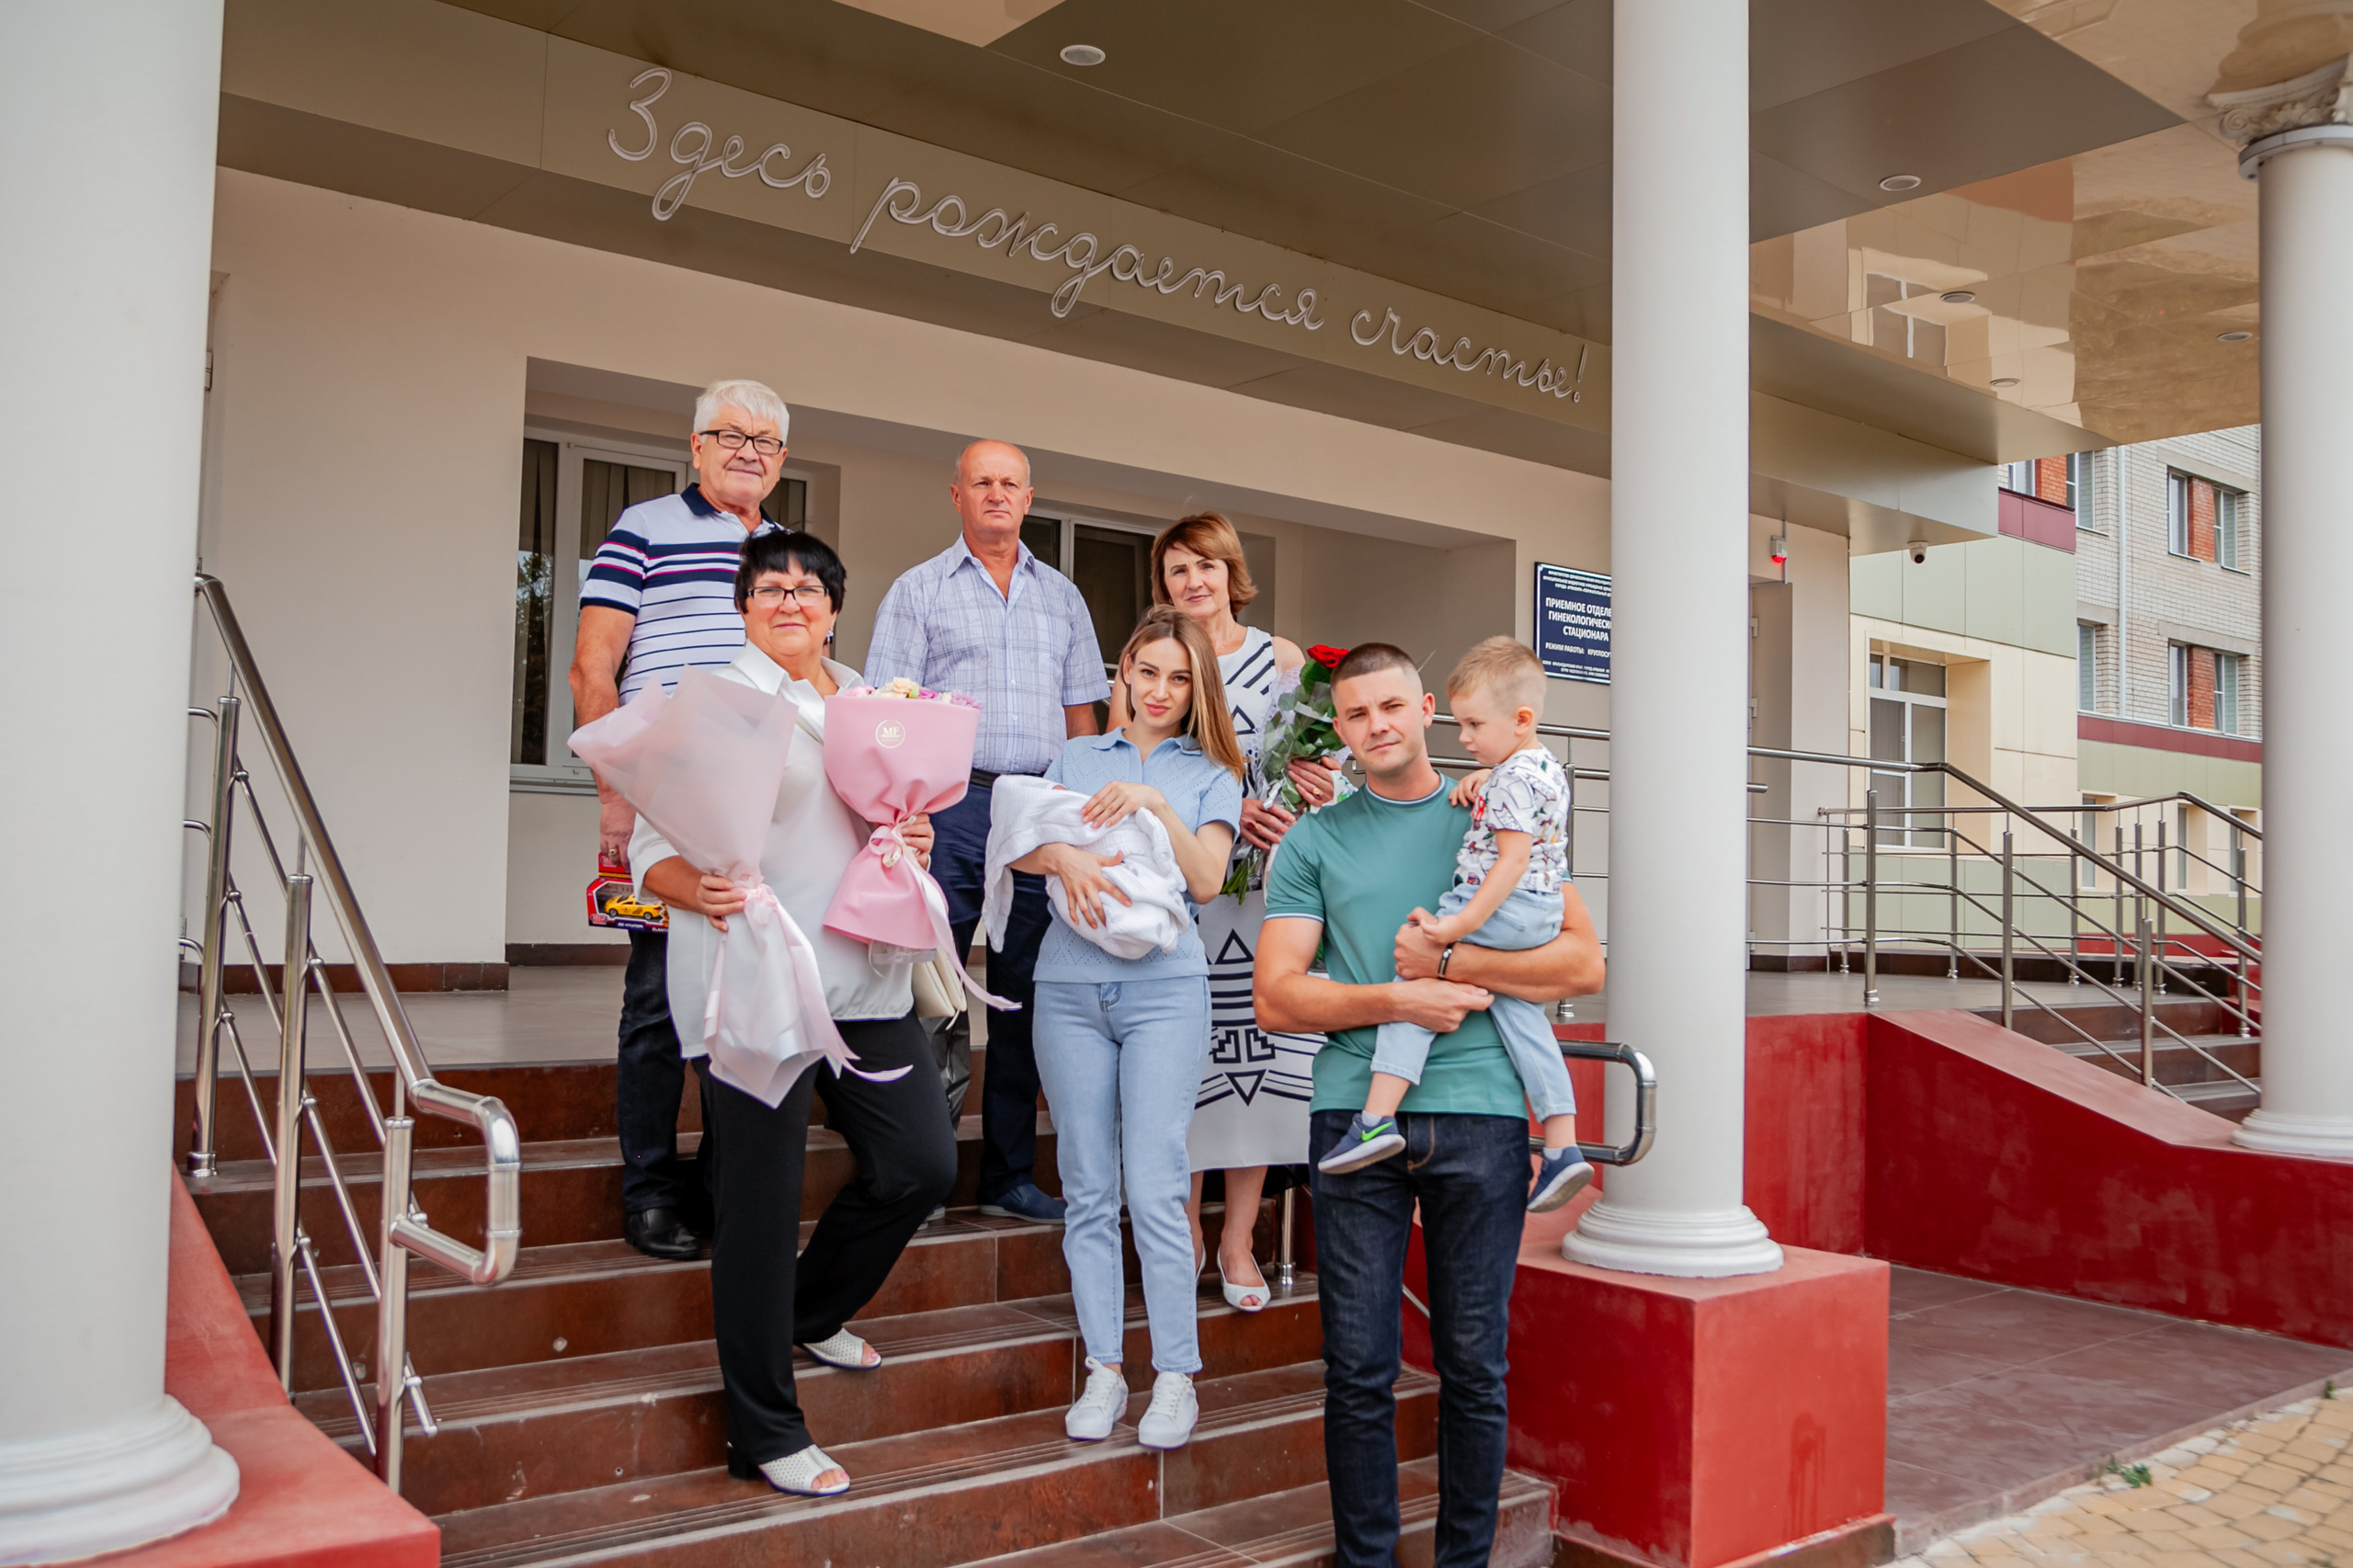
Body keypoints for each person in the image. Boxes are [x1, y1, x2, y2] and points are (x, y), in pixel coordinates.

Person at [1254, 643, 1605, 1568]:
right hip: (1352, 1114)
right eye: (1356, 712)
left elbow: (1581, 962)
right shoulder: (1313, 838)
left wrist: (1447, 965)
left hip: (1484, 1112)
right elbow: (1277, 995)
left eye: (1391, 706)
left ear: (1423, 709)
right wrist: (1396, 999)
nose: (1376, 725)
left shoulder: (1494, 801)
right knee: (1358, 1371)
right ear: (1342, 726)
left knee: (1475, 1369)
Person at [631, 529, 958, 1496]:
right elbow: (652, 853)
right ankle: (763, 1428)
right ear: (743, 605)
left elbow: (886, 816)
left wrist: (916, 833)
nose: (790, 599)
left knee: (919, 1163)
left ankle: (807, 1313)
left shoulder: (869, 702)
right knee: (761, 1209)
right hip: (759, 979)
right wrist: (701, 892)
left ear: (833, 606)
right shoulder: (713, 706)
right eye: (770, 586)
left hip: (864, 973)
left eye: (810, 586)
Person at [1012, 606, 1245, 1452]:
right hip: (1069, 988)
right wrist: (1061, 856)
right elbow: (1020, 843)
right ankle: (1105, 1371)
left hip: (1165, 994)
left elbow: (1210, 879)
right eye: (1147, 672)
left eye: (1179, 679)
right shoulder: (1075, 756)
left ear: (1196, 689)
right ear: (1124, 671)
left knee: (1154, 1183)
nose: (1160, 691)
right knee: (1087, 1186)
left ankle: (1175, 1376)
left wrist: (1151, 800)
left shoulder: (1215, 770)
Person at [570, 378, 792, 1263]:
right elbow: (596, 664)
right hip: (671, 792)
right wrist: (615, 794)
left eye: (767, 442)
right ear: (696, 446)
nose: (748, 451)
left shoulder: (785, 549)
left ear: (782, 463)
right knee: (661, 998)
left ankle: (715, 1185)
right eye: (730, 435)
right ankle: (652, 1190)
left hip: (770, 800)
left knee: (749, 997)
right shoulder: (644, 527)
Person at [865, 439, 1109, 1224]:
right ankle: (922, 1170)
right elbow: (888, 712)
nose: (997, 495)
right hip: (947, 804)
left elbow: (1083, 718)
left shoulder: (1063, 597)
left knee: (1022, 995)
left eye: (1010, 484)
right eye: (982, 483)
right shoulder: (918, 591)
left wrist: (1073, 811)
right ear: (957, 495)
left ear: (1029, 498)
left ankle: (1006, 1175)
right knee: (931, 989)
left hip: (1038, 804)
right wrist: (905, 812)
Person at [1109, 512, 1334, 1312]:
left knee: (1260, 1064)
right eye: (1175, 572)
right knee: (1187, 1059)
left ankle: (1240, 1236)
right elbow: (1120, 767)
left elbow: (1318, 767)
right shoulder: (1150, 662)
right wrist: (1216, 809)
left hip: (1267, 887)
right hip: (1180, 884)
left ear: (1230, 570)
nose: (1191, 583)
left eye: (1204, 566)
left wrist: (1308, 796)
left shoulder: (1281, 661)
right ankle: (1184, 1228)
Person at [1321, 637, 1596, 1213]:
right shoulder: (1537, 767)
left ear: (1520, 719)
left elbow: (1512, 860)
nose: (1464, 738)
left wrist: (1452, 933)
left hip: (1503, 907)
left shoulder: (1510, 781)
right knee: (1521, 1014)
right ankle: (1564, 1142)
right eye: (1462, 725)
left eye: (1473, 725)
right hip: (1538, 912)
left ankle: (1375, 1117)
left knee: (1413, 993)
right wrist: (1482, 781)